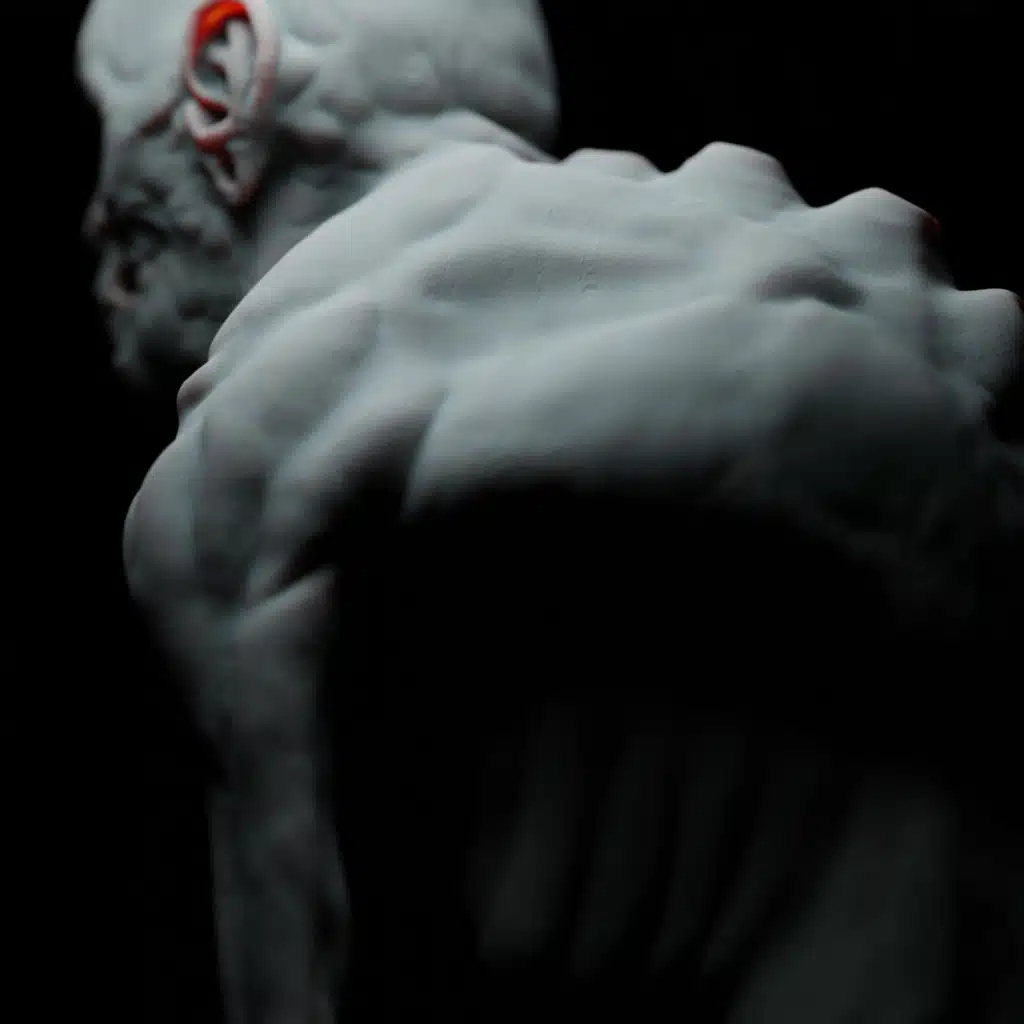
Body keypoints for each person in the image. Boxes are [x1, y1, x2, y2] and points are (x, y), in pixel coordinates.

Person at [78, 2, 1023, 1021]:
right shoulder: (834, 274)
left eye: (103, 125)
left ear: (225, 78)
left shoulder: (248, 462)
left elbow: (294, 980)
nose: (93, 217)